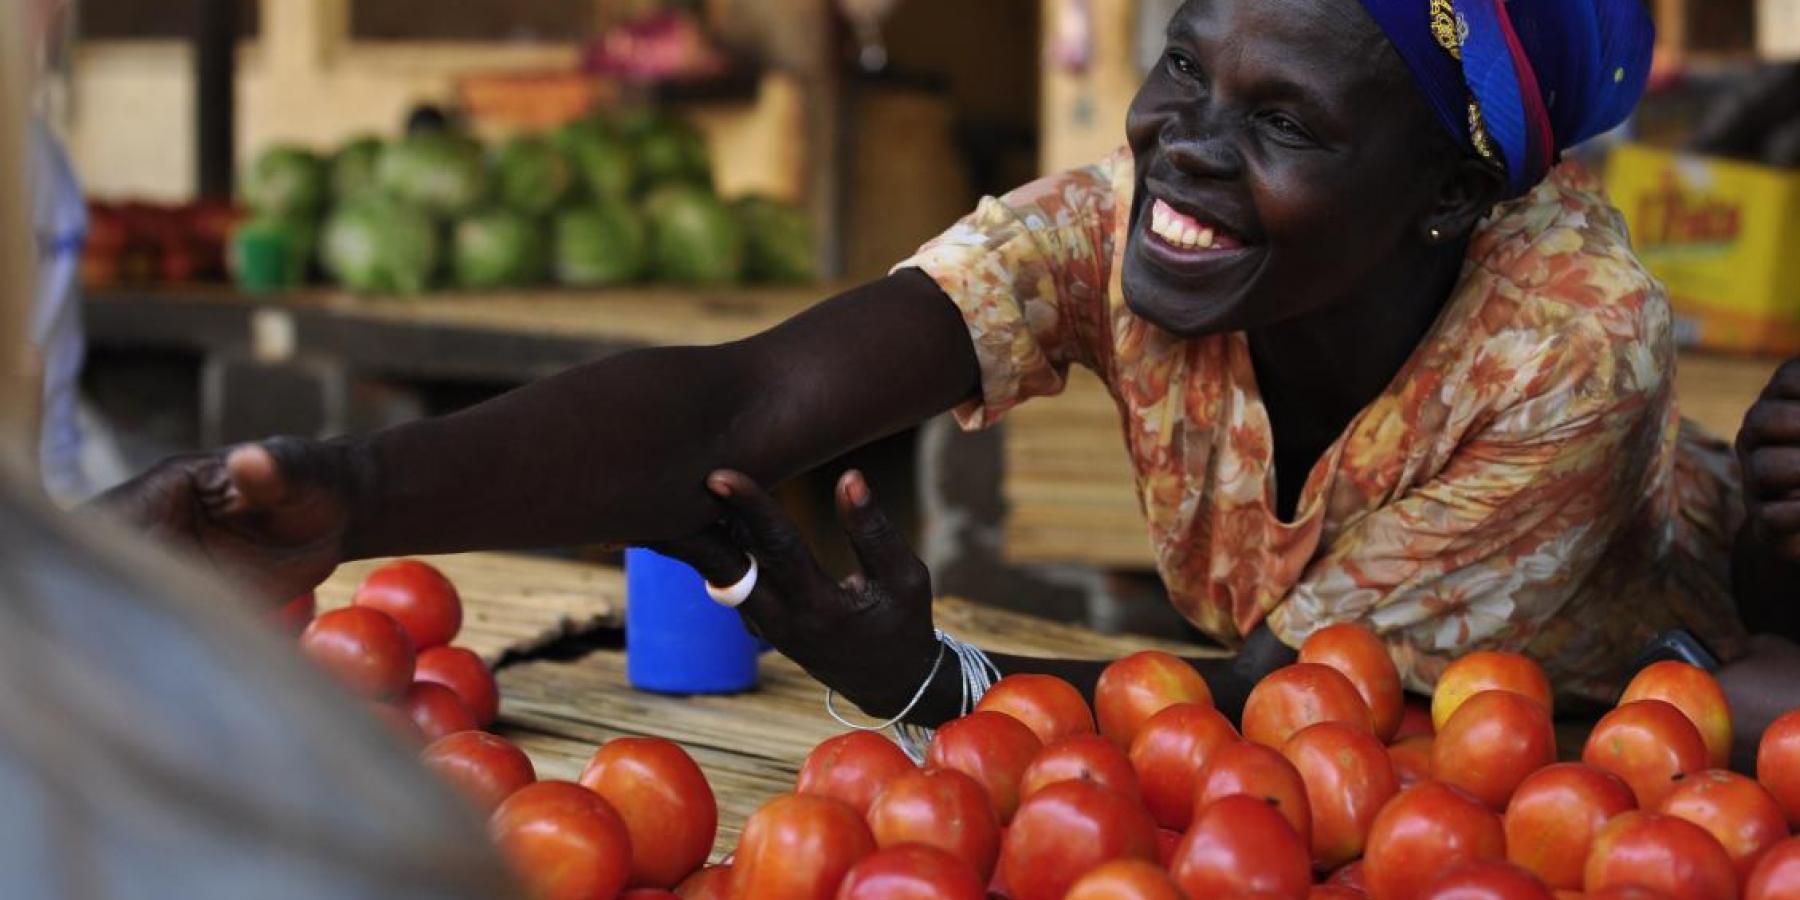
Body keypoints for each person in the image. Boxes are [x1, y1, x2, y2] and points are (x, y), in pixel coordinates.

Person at [100, 0, 1800, 747]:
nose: (1184, 151)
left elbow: (1304, 715)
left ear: (1450, 195)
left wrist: (942, 689)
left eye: (1283, 119)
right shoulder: (1125, 222)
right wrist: (346, 493)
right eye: (1183, 68)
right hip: (1324, 765)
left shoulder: (1567, 350)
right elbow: (738, 406)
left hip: (1589, 776)